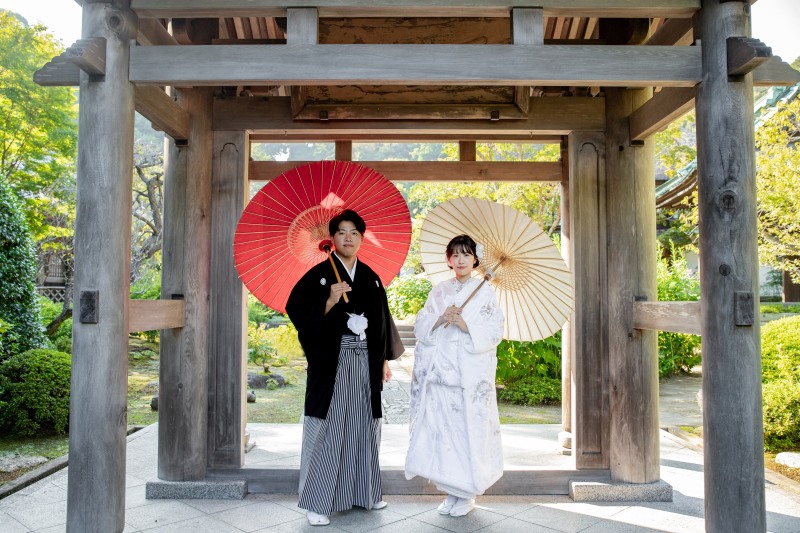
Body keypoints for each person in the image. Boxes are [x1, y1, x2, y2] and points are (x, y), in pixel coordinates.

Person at [286, 209, 403, 527]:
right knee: (327, 428)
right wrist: (327, 302)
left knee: (364, 426)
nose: (348, 237)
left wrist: (382, 360)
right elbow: (295, 308)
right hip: (331, 362)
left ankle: (365, 492)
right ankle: (317, 501)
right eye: (341, 232)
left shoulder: (371, 277)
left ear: (362, 238)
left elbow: (380, 321)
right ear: (332, 239)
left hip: (365, 361)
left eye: (354, 232)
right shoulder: (319, 276)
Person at [404, 234, 505, 517]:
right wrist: (440, 318)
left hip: (467, 377)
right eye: (455, 254)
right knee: (442, 431)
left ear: (475, 259)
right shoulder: (439, 290)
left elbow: (495, 329)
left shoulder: (484, 291)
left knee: (466, 431)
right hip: (441, 373)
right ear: (448, 259)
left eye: (466, 254)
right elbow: (423, 323)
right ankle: (451, 492)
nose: (460, 260)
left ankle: (466, 494)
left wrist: (466, 324)